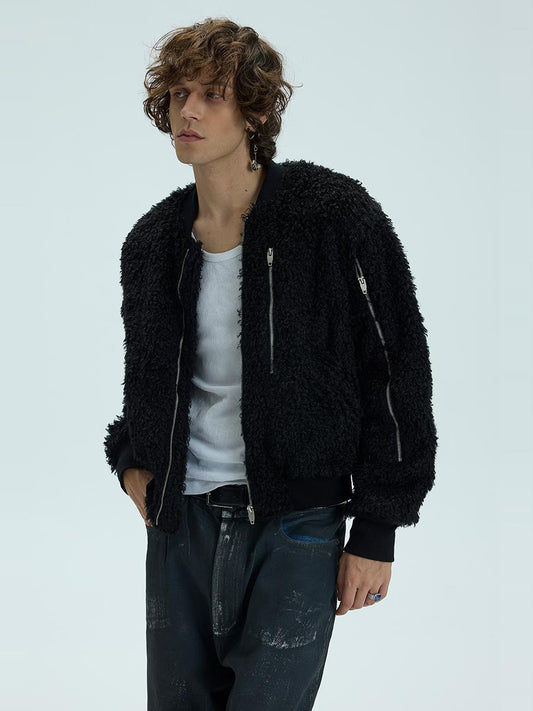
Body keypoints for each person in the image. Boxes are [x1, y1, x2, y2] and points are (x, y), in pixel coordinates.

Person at [103, 17, 438, 711]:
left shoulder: (332, 216)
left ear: (255, 111)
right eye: (178, 94)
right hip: (180, 529)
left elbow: (396, 368)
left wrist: (377, 528)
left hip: (296, 526)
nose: (188, 112)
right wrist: (133, 460)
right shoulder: (153, 242)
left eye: (212, 94)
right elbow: (148, 378)